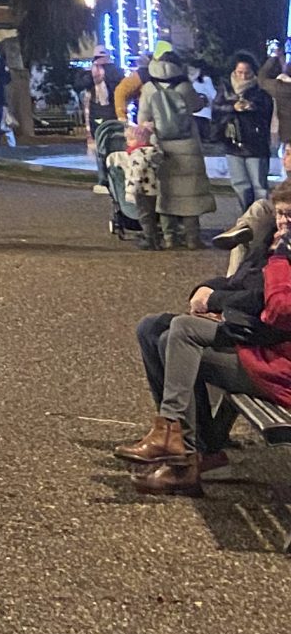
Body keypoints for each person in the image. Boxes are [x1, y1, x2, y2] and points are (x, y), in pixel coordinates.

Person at [116, 178, 291, 495]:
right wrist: (206, 293)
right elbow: (242, 283)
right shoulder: (274, 244)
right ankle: (187, 448)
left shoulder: (284, 253)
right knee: (157, 329)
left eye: (290, 216)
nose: (283, 223)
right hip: (259, 346)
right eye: (280, 214)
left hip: (273, 361)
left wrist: (220, 307)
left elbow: (274, 309)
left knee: (178, 335)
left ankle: (182, 447)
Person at [140, 42, 214, 247]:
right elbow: (196, 106)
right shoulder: (184, 86)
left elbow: (143, 118)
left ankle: (170, 238)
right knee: (189, 193)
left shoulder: (148, 88)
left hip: (161, 145)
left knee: (165, 194)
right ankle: (193, 239)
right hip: (187, 144)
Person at [212, 57, 275, 211]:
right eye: (240, 72)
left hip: (255, 144)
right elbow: (216, 109)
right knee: (240, 184)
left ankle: (261, 218)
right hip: (232, 143)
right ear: (234, 71)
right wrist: (233, 107)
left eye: (247, 73)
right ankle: (246, 216)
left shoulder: (260, 92)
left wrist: (251, 106)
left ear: (253, 73)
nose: (243, 76)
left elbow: (267, 112)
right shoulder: (226, 90)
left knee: (259, 186)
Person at [82, 52, 126, 186]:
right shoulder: (89, 72)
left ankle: (114, 174)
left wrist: (108, 70)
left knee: (114, 143)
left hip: (111, 111)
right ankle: (104, 177)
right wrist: (92, 74)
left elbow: (119, 85)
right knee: (99, 146)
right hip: (96, 111)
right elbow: (81, 84)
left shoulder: (114, 71)